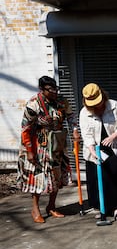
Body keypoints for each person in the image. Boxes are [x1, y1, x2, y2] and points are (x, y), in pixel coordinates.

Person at [17, 76, 79, 223]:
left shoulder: (61, 101)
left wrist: (75, 130)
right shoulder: (33, 104)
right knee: (38, 178)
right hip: (39, 146)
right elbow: (25, 129)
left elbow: (71, 116)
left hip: (57, 144)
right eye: (50, 90)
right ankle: (35, 208)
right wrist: (30, 150)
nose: (54, 92)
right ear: (42, 90)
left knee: (57, 176)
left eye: (55, 89)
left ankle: (51, 206)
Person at [79, 83, 117, 220]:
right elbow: (86, 134)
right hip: (96, 150)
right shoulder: (84, 112)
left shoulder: (115, 106)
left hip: (114, 147)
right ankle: (103, 208)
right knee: (98, 180)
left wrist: (113, 136)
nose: (97, 106)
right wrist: (92, 150)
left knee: (115, 177)